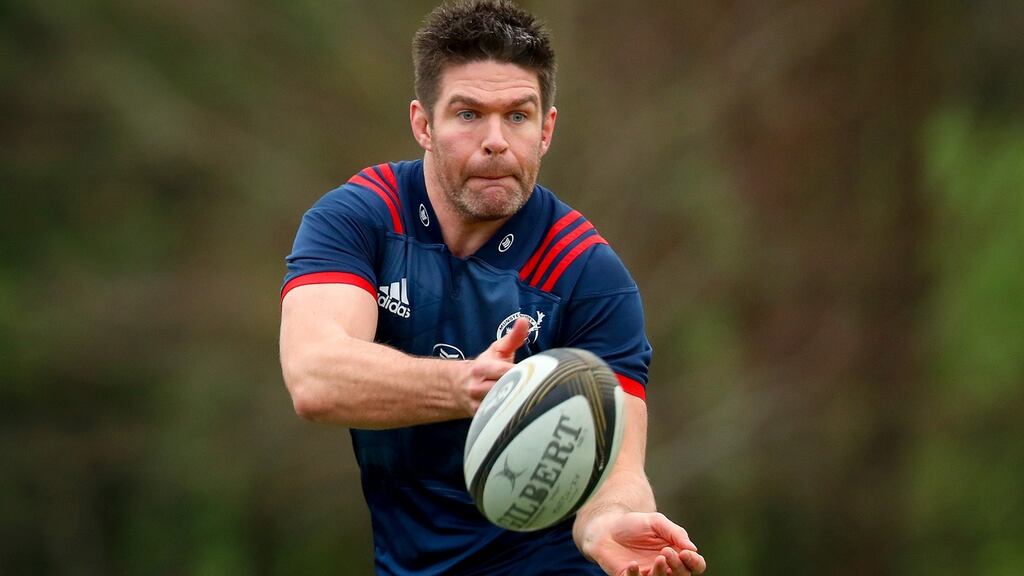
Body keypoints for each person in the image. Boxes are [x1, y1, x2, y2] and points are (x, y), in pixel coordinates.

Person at [279, 1, 707, 574]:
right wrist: (468, 387)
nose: (496, 141)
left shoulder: (588, 276)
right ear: (423, 124)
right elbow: (314, 375)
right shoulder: (361, 220)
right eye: (468, 114)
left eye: (518, 116)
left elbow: (618, 470)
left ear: (547, 129)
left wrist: (610, 521)